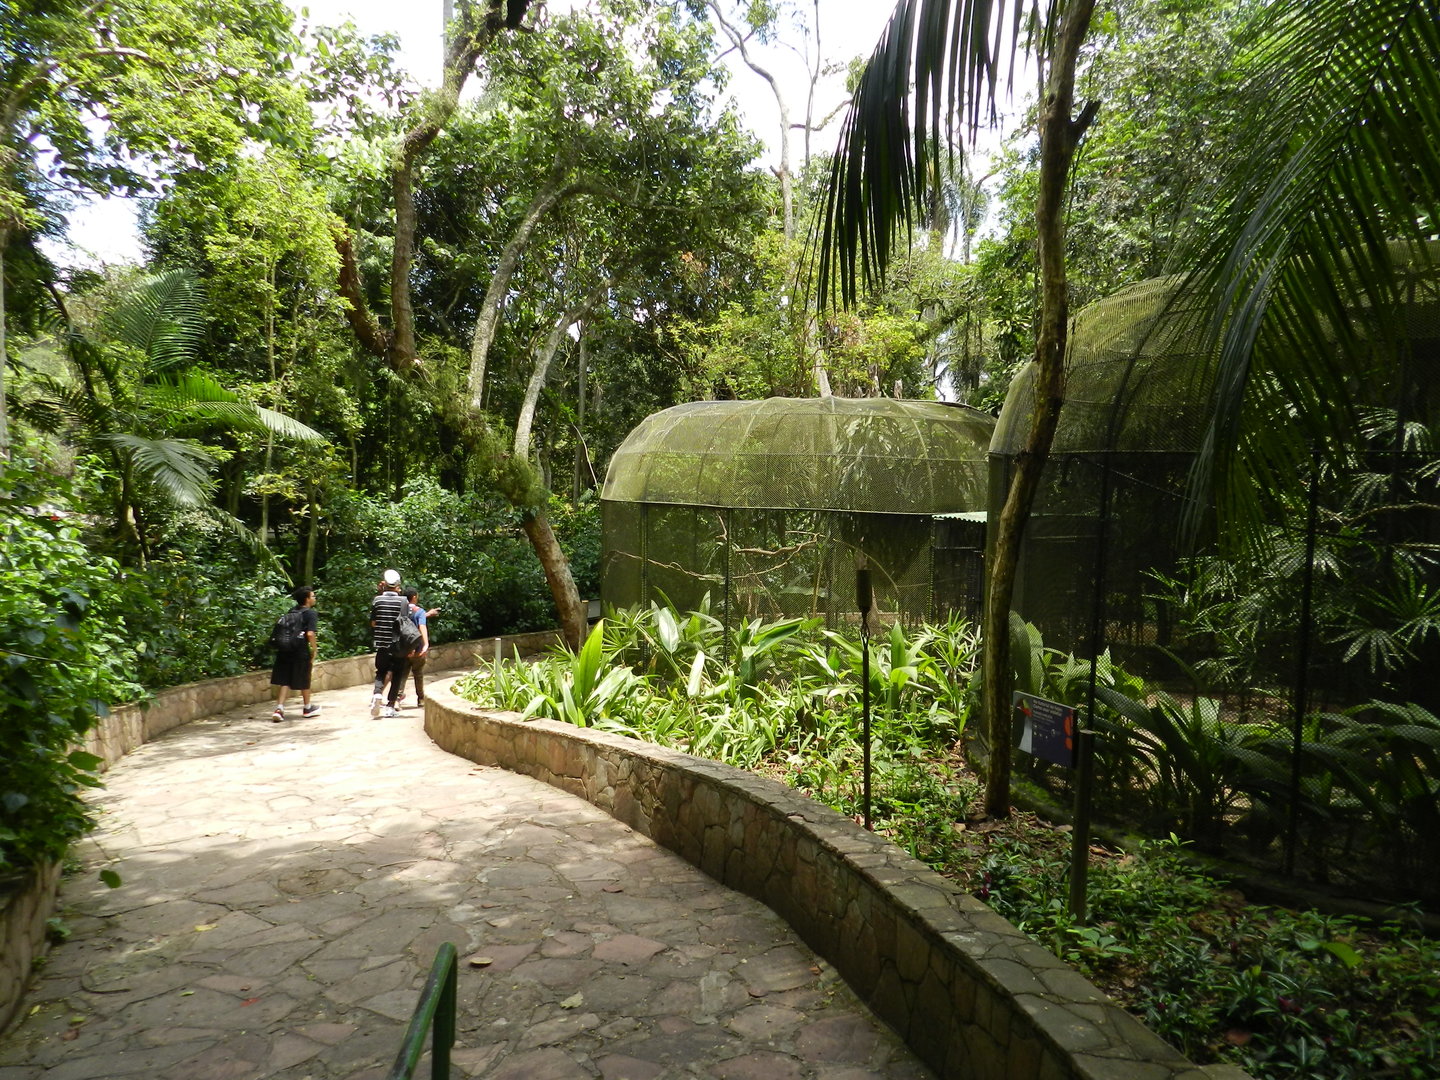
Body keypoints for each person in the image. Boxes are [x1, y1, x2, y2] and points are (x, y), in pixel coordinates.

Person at [271, 585, 319, 722]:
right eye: (313, 596)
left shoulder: (291, 611)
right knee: (304, 677)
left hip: (285, 649)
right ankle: (307, 707)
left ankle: (279, 708)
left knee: (285, 680)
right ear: (307, 599)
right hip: (300, 650)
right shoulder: (310, 614)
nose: (315, 598)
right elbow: (310, 634)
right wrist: (314, 649)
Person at [369, 568, 411, 718]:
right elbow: (405, 623)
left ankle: (377, 694)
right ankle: (390, 706)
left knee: (381, 671)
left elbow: (373, 623)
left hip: (382, 643)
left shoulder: (377, 600)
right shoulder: (403, 601)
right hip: (398, 644)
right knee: (397, 674)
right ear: (398, 584)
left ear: (385, 584)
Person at [397, 586, 432, 708]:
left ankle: (397, 699)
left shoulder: (400, 610)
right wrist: (426, 644)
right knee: (418, 673)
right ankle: (421, 699)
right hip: (417, 648)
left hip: (404, 649)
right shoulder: (419, 611)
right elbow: (422, 626)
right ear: (414, 597)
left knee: (402, 674)